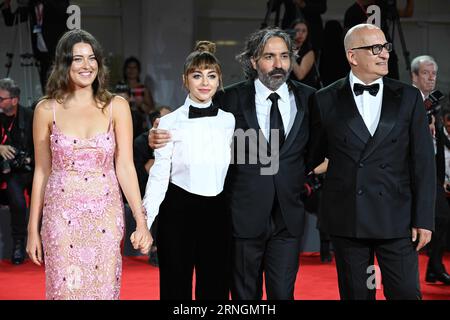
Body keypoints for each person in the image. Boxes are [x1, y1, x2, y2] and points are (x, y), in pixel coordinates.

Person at [150, 29, 316, 300]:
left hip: (288, 216)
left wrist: (301, 179)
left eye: (285, 56)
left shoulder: (310, 98)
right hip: (242, 216)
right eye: (270, 57)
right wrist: (153, 137)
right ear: (253, 61)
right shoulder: (228, 98)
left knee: (283, 295)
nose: (279, 64)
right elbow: (189, 122)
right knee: (242, 297)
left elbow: (317, 147)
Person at [307, 23, 435, 300]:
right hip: (347, 218)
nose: (385, 54)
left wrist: (424, 218)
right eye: (375, 48)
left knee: (405, 293)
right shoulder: (325, 99)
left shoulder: (409, 97)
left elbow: (424, 162)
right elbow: (311, 154)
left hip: (398, 219)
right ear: (353, 56)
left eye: (386, 47)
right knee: (357, 295)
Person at [26, 29, 152, 300]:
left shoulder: (116, 106)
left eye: (91, 58)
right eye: (77, 59)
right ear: (64, 64)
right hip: (60, 216)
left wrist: (141, 222)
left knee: (103, 290)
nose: (87, 65)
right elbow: (41, 171)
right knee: (64, 291)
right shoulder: (46, 110)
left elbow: (126, 167)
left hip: (105, 215)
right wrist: (31, 229)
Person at [143, 41, 235, 300]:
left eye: (211, 75)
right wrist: (145, 222)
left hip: (217, 212)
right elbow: (159, 175)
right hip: (177, 211)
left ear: (219, 80)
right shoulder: (168, 122)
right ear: (185, 80)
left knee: (215, 288)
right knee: (175, 287)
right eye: (197, 75)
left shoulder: (229, 121)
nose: (204, 82)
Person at [411, 55, 450, 285]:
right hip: (412, 173)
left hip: (432, 172)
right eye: (426, 73)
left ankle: (434, 267)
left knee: (442, 218)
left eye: (434, 73)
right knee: (435, 218)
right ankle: (424, 269)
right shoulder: (409, 101)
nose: (431, 77)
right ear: (414, 76)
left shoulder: (434, 103)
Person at [0, 78, 34, 265]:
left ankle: (45, 243)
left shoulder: (30, 116)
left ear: (14, 100)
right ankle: (18, 244)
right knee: (17, 201)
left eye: (1, 99)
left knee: (46, 200)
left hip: (35, 168)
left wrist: (31, 158)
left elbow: (44, 143)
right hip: (12, 172)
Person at [1, 0, 69, 90]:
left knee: (60, 86)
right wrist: (6, 6)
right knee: (46, 86)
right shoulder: (31, 7)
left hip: (58, 54)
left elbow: (62, 9)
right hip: (42, 55)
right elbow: (10, 20)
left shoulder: (56, 4)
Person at [134, 106, 171, 267]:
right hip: (144, 188)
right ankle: (156, 249)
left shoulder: (176, 137)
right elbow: (138, 172)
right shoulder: (141, 142)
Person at [343, 0, 414, 80]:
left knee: (392, 83)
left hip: (385, 52)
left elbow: (407, 13)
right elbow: (348, 41)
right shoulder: (353, 11)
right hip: (367, 56)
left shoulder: (382, 6)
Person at [289, 19, 320, 89]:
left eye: (304, 31)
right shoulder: (285, 48)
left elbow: (300, 75)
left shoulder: (309, 52)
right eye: (297, 30)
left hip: (303, 91)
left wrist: (289, 54)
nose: (300, 33)